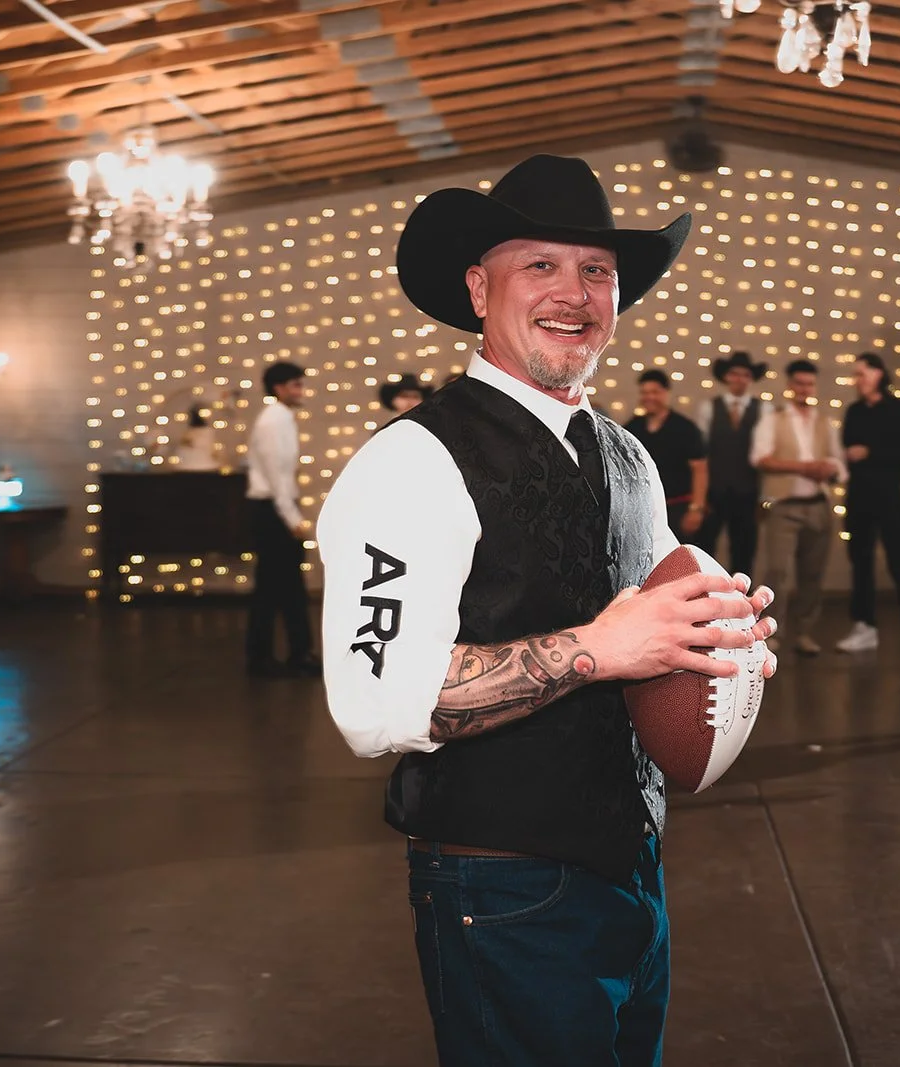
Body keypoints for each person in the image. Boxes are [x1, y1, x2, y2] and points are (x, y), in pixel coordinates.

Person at [316, 154, 777, 1067]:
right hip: (501, 881)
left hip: (633, 864)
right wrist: (595, 650)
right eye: (541, 265)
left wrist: (720, 639)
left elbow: (656, 622)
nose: (574, 293)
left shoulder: (630, 454)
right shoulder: (412, 460)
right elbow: (375, 706)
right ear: (478, 288)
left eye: (596, 270)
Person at [836, 351, 900, 657]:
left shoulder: (898, 409)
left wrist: (870, 452)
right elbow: (846, 446)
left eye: (862, 373)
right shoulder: (854, 411)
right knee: (860, 562)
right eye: (855, 375)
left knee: (898, 560)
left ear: (879, 374)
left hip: (888, 495)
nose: (858, 380)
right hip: (858, 495)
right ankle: (864, 626)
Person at [752, 359, 845, 656]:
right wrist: (805, 467)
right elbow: (761, 459)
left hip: (818, 506)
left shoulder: (824, 423)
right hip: (783, 506)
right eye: (800, 383)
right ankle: (772, 631)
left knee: (813, 574)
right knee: (777, 572)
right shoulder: (773, 420)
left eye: (809, 384)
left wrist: (830, 470)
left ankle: (804, 632)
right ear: (790, 386)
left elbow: (839, 464)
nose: (805, 389)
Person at [245, 361, 319, 677]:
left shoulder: (280, 418)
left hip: (274, 508)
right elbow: (277, 475)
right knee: (281, 587)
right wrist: (292, 518)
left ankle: (277, 654)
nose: (301, 391)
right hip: (273, 511)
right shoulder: (274, 420)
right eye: (295, 385)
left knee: (277, 586)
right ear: (278, 388)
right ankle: (289, 654)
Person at [696, 350, 768, 575]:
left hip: (749, 492)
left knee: (744, 552)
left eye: (745, 375)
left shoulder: (764, 409)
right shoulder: (709, 407)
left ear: (751, 379)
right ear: (726, 376)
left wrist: (764, 497)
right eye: (735, 374)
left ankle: (741, 596)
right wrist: (701, 497)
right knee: (705, 550)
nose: (740, 379)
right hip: (714, 492)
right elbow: (702, 453)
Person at [624, 369, 708, 543]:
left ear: (666, 393)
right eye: (645, 392)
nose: (649, 397)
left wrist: (696, 509)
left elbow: (699, 469)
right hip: (644, 510)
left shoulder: (685, 428)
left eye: (655, 392)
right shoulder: (632, 428)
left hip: (678, 508)